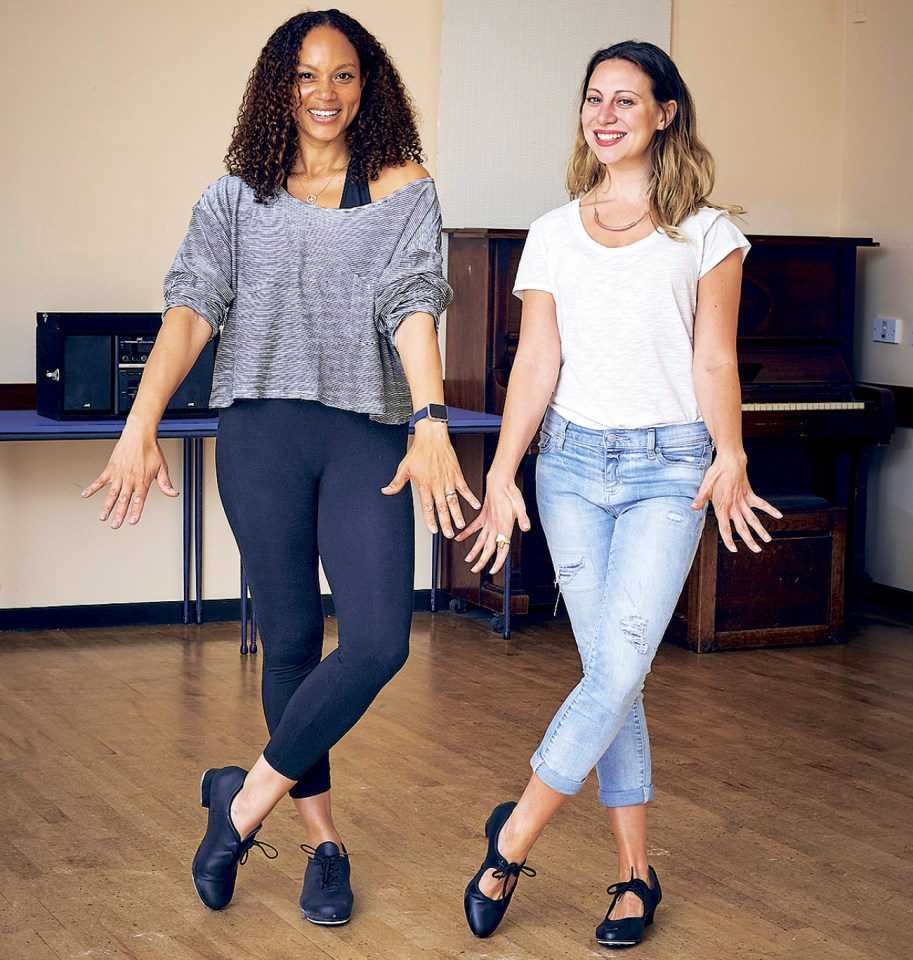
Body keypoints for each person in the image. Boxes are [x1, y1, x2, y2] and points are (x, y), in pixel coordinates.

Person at [82, 9, 477, 925]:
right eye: (304, 76)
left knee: (377, 640)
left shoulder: (402, 187)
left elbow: (413, 301)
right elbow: (190, 308)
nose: (324, 94)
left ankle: (242, 799)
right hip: (261, 434)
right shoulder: (234, 198)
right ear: (278, 87)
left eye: (343, 75)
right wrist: (141, 421)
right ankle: (322, 846)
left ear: (368, 85)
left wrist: (427, 415)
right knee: (293, 642)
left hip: (365, 432)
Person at [456, 40, 781, 949]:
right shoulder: (553, 230)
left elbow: (712, 356)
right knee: (616, 676)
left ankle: (510, 839)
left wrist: (730, 452)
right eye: (592, 99)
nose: (603, 115)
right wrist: (502, 471)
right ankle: (636, 876)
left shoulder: (707, 233)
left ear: (664, 113)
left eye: (625, 100)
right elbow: (536, 358)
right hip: (566, 466)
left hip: (668, 469)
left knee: (619, 663)